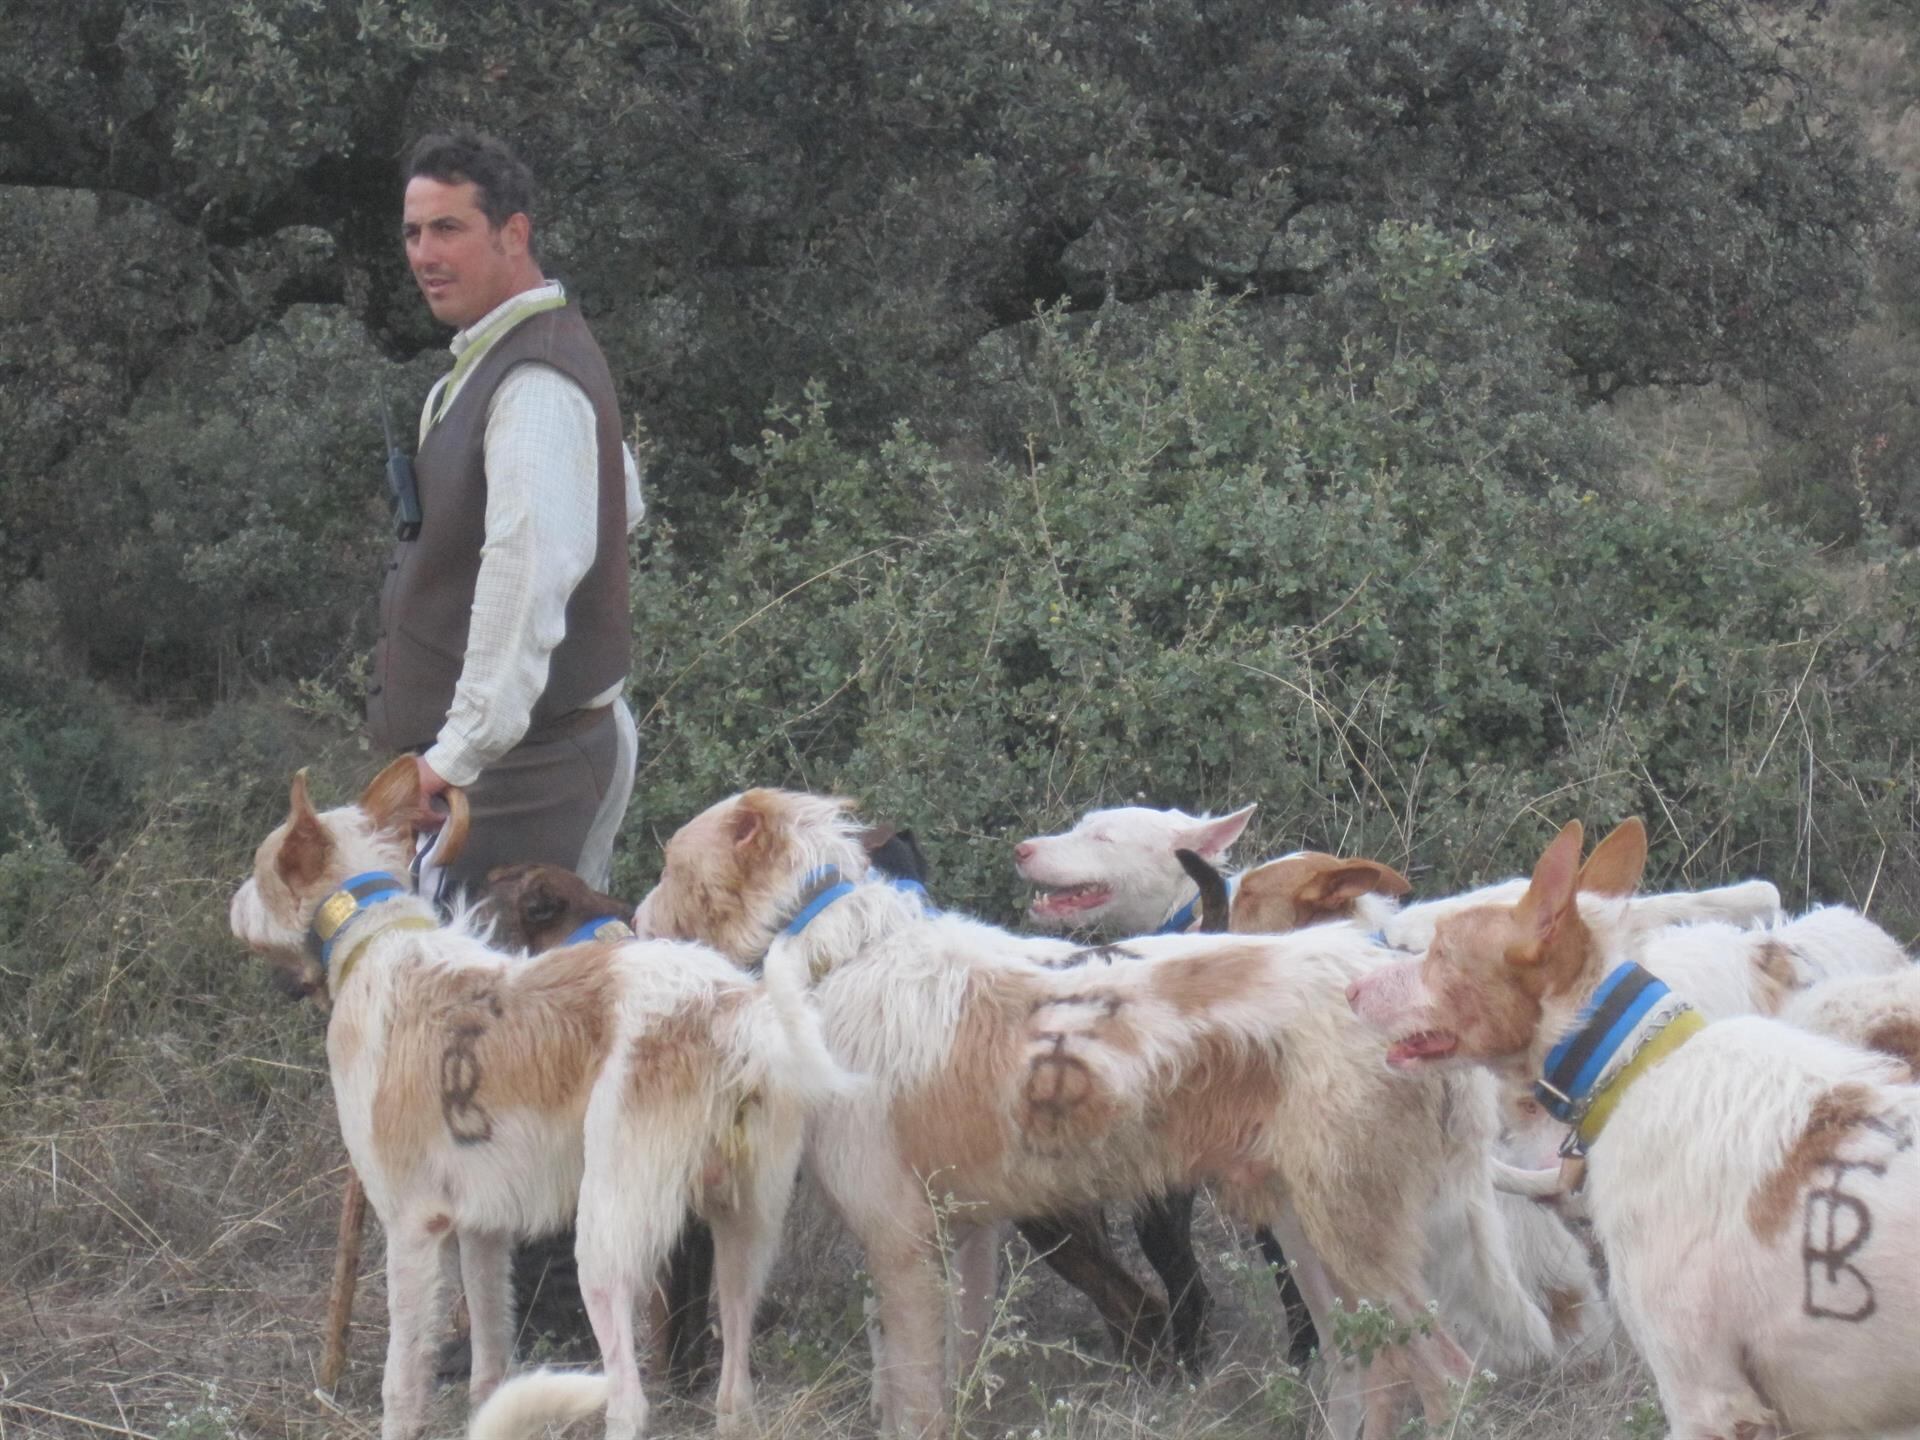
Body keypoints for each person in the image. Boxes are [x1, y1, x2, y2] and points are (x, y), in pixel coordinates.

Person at [367, 127, 642, 902]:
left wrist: (456, 755)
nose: (425, 254)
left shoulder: (534, 382)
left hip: (525, 769)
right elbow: (621, 501)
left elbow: (527, 577)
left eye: (448, 228)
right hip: (503, 763)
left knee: (500, 981)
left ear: (512, 234)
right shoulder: (496, 362)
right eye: (413, 233)